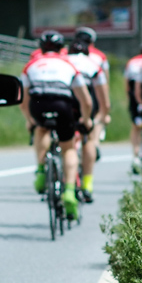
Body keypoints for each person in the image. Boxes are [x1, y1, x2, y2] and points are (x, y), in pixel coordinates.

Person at [20, 31, 93, 220]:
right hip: (62, 105)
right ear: (62, 48)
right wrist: (86, 119)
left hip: (39, 104)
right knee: (68, 148)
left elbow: (23, 100)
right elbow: (86, 100)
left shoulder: (31, 65)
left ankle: (41, 170)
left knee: (41, 129)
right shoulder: (68, 64)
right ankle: (69, 191)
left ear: (41, 48)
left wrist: (30, 120)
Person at [66, 36, 109, 203]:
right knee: (89, 139)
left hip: (65, 102)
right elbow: (103, 98)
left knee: (65, 141)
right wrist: (103, 115)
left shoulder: (63, 61)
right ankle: (87, 184)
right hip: (86, 102)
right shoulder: (93, 64)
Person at [124, 43, 142, 173]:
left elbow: (126, 82)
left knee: (135, 126)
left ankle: (135, 155)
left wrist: (128, 98)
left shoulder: (132, 61)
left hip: (134, 95)